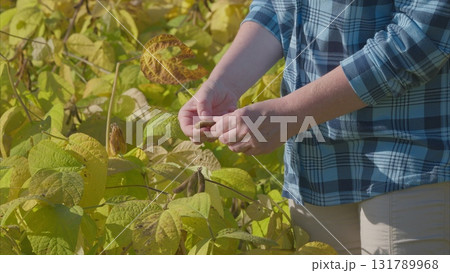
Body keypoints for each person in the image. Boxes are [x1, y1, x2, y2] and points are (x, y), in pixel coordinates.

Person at [178, 0, 450, 254]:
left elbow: (423, 31)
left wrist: (292, 113)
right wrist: (222, 85)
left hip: (410, 157)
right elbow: (276, 7)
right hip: (314, 166)